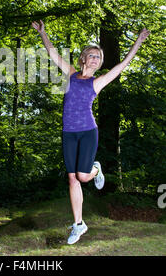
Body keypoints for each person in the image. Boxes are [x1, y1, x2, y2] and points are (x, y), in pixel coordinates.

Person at [31, 20, 150, 244]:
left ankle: (96, 168)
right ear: (84, 58)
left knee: (82, 176)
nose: (95, 59)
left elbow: (123, 64)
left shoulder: (98, 82)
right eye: (92, 55)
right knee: (71, 179)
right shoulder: (71, 73)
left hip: (87, 131)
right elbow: (52, 52)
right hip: (68, 132)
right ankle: (79, 224)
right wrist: (43, 33)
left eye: (99, 57)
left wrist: (137, 42)